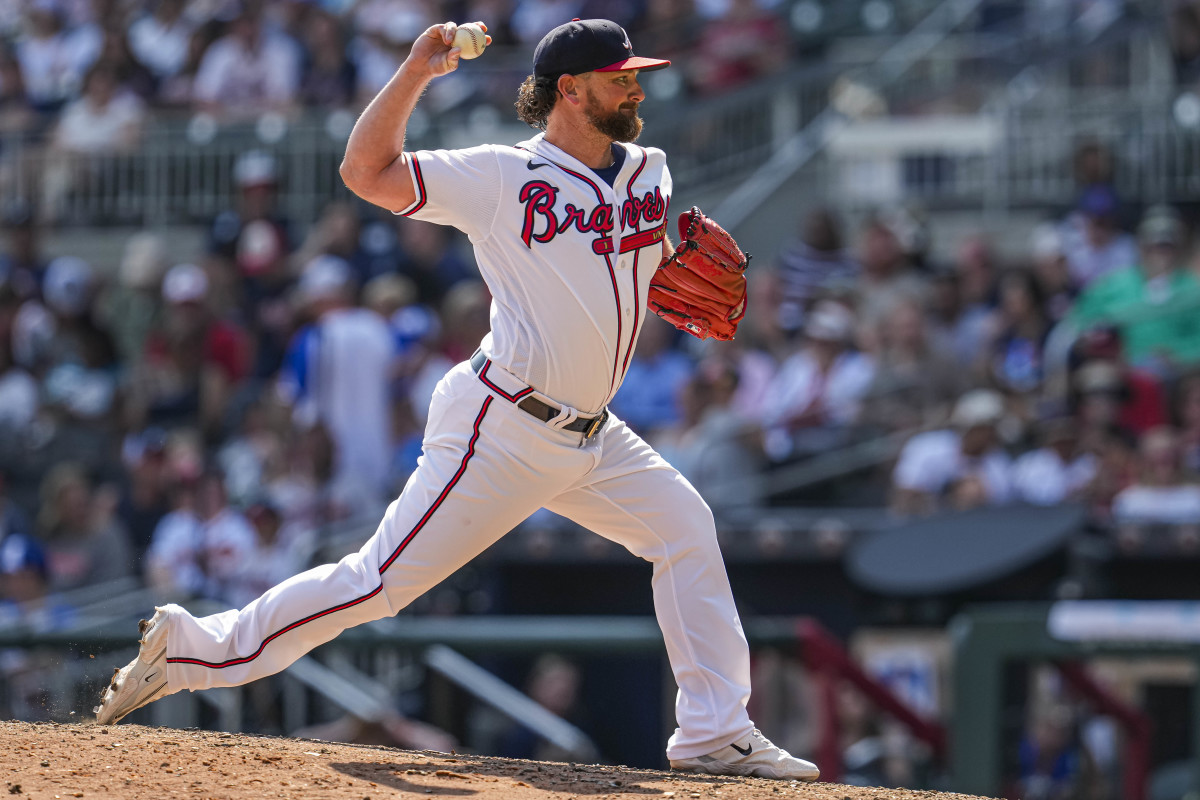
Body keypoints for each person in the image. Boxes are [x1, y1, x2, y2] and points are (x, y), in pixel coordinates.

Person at [94, 18, 819, 781]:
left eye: (635, 72)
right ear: (568, 90)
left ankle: (713, 733)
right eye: (619, 76)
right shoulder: (499, 175)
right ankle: (193, 649)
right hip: (501, 426)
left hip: (594, 436)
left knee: (685, 528)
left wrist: (671, 269)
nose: (636, 85)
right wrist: (413, 74)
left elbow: (622, 269)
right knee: (378, 582)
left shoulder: (650, 172)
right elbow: (366, 172)